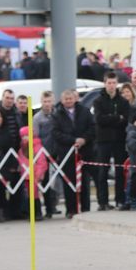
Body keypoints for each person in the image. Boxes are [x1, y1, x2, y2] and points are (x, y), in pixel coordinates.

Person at [52, 89, 95, 217]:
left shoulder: (85, 111)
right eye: (66, 99)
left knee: (85, 182)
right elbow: (56, 133)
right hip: (66, 154)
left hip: (84, 152)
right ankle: (71, 210)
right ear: (62, 100)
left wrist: (84, 139)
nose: (68, 101)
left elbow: (92, 128)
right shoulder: (57, 114)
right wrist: (73, 140)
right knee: (69, 183)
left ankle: (85, 209)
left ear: (75, 99)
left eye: (70, 98)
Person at [93, 72, 130, 211]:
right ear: (105, 83)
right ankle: (102, 202)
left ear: (117, 83)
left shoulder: (123, 101)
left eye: (114, 83)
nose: (111, 85)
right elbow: (99, 119)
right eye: (109, 83)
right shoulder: (98, 101)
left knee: (120, 171)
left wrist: (112, 118)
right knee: (103, 171)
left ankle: (120, 200)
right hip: (103, 140)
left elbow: (125, 119)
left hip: (119, 140)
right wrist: (116, 118)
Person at [32, 91, 59, 218]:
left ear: (53, 101)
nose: (47, 104)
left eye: (49, 101)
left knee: (60, 180)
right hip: (43, 154)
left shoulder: (58, 115)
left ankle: (54, 205)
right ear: (41, 102)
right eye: (45, 101)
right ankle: (48, 208)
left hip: (58, 152)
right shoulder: (37, 118)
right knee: (46, 182)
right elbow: (35, 137)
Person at [18, 126, 47, 221]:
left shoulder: (37, 146)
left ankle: (37, 213)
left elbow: (41, 161)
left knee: (35, 194)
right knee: (29, 194)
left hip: (34, 175)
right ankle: (31, 213)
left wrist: (38, 174)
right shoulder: (22, 148)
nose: (24, 138)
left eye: (26, 136)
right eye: (23, 136)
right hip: (26, 175)